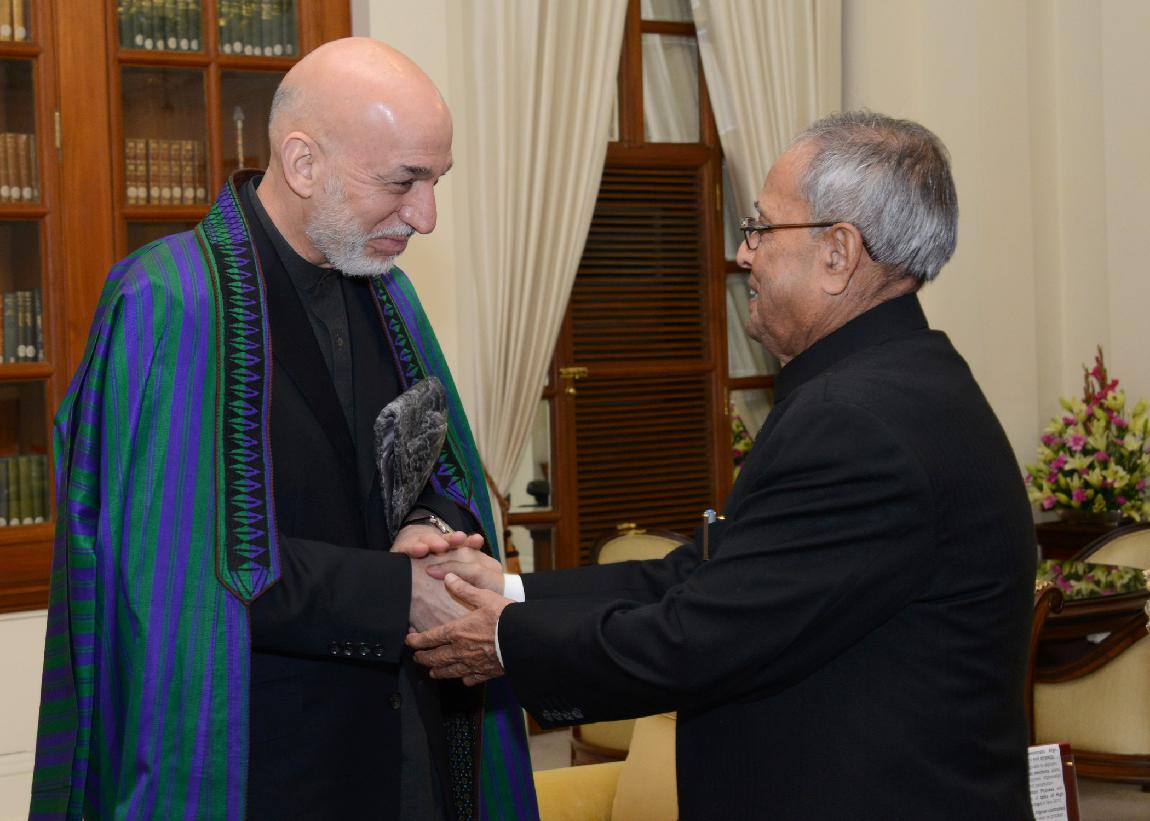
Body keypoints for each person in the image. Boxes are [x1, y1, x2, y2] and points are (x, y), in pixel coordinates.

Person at [407, 111, 1037, 819]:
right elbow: (707, 576)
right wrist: (507, 588)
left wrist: (504, 639)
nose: (743, 254)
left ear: (838, 253)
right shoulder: (900, 383)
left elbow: (700, 638)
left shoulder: (857, 422)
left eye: (761, 229)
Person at [30, 38, 537, 821]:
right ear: (303, 164)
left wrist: (433, 529)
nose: (426, 217)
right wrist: (401, 592)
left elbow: (440, 470)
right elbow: (186, 572)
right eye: (403, 181)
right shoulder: (171, 303)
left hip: (410, 753)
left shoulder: (389, 296)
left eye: (437, 181)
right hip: (259, 769)